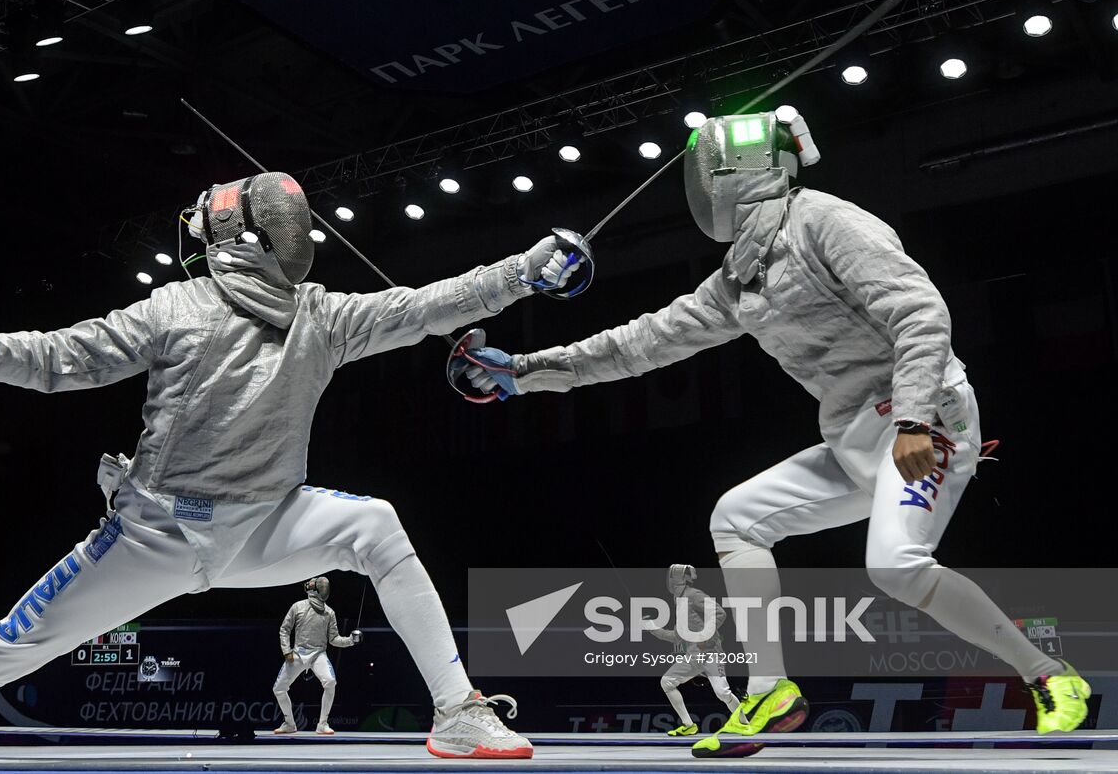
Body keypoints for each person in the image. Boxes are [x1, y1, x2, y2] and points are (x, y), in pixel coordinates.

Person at [0, 172, 580, 763]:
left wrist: (523, 271)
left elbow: (429, 304)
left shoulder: (319, 318)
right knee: (1, 653)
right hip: (150, 537)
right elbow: (70, 354)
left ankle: (458, 710)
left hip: (258, 528)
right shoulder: (184, 308)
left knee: (375, 524)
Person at [456, 112, 1090, 758]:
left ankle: (1047, 675)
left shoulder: (827, 220)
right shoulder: (739, 275)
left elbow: (920, 313)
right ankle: (771, 690)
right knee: (737, 518)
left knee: (895, 566)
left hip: (926, 421)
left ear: (737, 170)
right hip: (854, 436)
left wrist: (912, 420)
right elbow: (642, 342)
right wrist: (526, 372)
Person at [648, 565, 737, 737]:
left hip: (710, 653)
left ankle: (745, 724)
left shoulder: (693, 594)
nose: (671, 580)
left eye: (674, 576)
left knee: (722, 693)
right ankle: (689, 725)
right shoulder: (679, 601)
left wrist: (704, 635)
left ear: (681, 579)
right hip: (694, 657)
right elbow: (677, 636)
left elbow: (719, 613)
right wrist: (652, 628)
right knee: (667, 682)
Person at [273, 575, 361, 735]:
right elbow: (284, 629)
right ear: (314, 589)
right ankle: (289, 723)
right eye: (322, 587)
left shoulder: (329, 612)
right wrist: (287, 651)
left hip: (318, 654)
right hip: (298, 654)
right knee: (279, 689)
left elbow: (334, 639)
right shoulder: (298, 607)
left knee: (330, 682)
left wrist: (351, 640)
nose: (324, 590)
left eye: (325, 587)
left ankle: (322, 724)